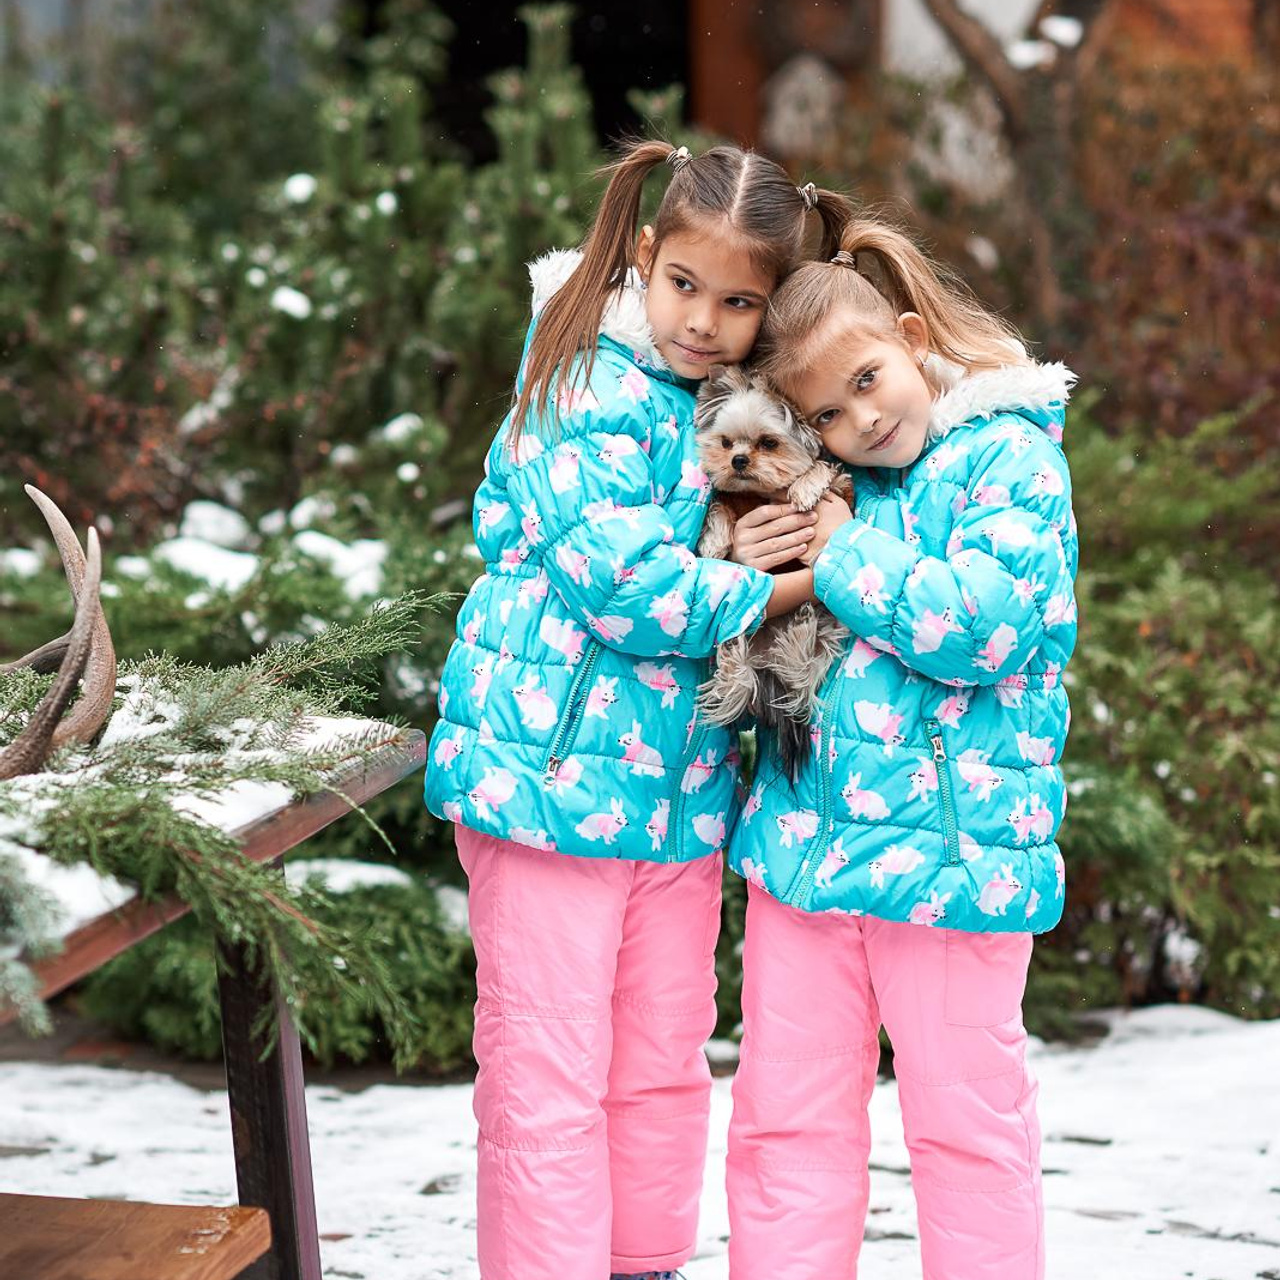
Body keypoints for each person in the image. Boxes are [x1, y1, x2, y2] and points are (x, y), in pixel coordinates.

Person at [423, 139, 851, 1280]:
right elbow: (624, 589)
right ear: (645, 256)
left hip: (676, 795)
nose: (703, 319)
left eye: (739, 300)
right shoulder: (583, 377)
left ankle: (641, 1262)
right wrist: (772, 582)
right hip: (549, 784)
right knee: (548, 1072)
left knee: (661, 1057)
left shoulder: (727, 405)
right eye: (684, 285)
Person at [724, 216, 1078, 1280]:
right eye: (825, 411)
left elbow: (981, 628)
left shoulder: (1009, 462)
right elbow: (760, 649)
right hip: (806, 858)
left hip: (953, 865)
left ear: (913, 337)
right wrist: (754, 561)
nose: (859, 420)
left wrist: (843, 555)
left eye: (869, 380)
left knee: (966, 1129)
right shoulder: (826, 485)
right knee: (783, 1125)